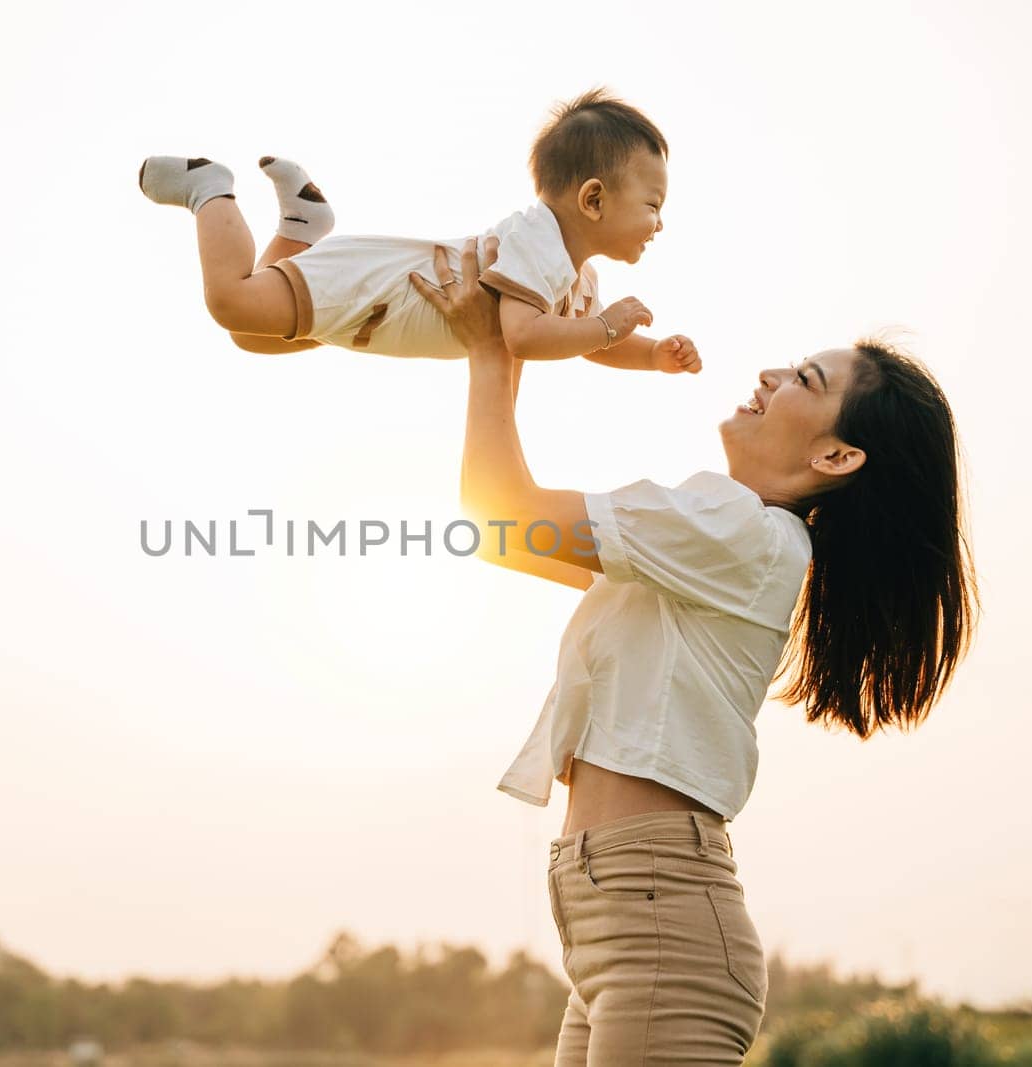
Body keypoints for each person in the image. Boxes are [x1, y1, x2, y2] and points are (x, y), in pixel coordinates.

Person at [411, 238, 978, 1064]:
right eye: (789, 366)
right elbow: (498, 533)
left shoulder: (740, 531)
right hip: (624, 921)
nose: (771, 377)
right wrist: (512, 340)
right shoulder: (719, 545)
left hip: (659, 927)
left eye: (803, 382)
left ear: (835, 456)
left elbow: (502, 512)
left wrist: (495, 342)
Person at [137, 88, 700, 371]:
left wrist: (647, 354)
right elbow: (527, 337)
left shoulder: (577, 279)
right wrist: (607, 325)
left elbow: (578, 344)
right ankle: (208, 188)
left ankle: (304, 225)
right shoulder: (536, 241)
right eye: (653, 204)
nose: (660, 222)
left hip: (374, 313)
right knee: (235, 305)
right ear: (594, 199)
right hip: (379, 284)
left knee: (253, 337)